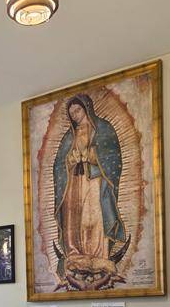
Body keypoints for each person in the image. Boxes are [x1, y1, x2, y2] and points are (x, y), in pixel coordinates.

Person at [53, 94, 126, 285]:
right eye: (72, 114)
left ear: (86, 107)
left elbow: (113, 156)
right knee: (74, 219)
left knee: (93, 217)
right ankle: (75, 254)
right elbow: (58, 164)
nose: (75, 116)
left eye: (77, 110)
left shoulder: (103, 129)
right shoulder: (69, 137)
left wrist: (91, 155)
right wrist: (70, 160)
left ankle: (98, 256)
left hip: (94, 181)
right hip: (73, 184)